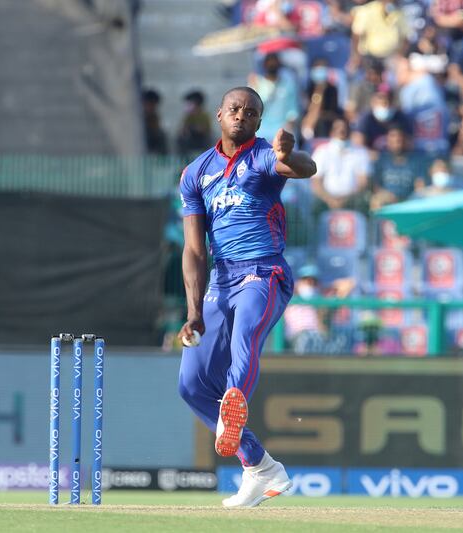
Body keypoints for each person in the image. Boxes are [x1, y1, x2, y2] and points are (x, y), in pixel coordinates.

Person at [176, 87, 316, 508]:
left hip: (264, 271)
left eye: (251, 112)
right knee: (192, 385)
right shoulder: (195, 173)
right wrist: (194, 311)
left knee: (245, 342)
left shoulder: (263, 157)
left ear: (258, 121)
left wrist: (290, 155)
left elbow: (305, 168)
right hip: (221, 280)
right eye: (235, 109)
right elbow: (195, 249)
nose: (242, 115)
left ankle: (233, 408)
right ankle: (260, 467)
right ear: (220, 114)